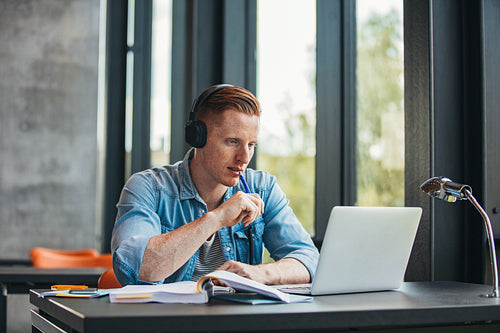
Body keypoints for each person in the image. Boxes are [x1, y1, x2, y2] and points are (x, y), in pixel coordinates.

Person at [111, 84, 319, 286]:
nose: (244, 157)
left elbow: (310, 260)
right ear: (198, 138)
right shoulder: (148, 188)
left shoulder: (262, 188)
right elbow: (134, 268)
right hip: (169, 320)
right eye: (232, 142)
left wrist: (261, 273)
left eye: (251, 145)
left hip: (237, 320)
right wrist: (217, 218)